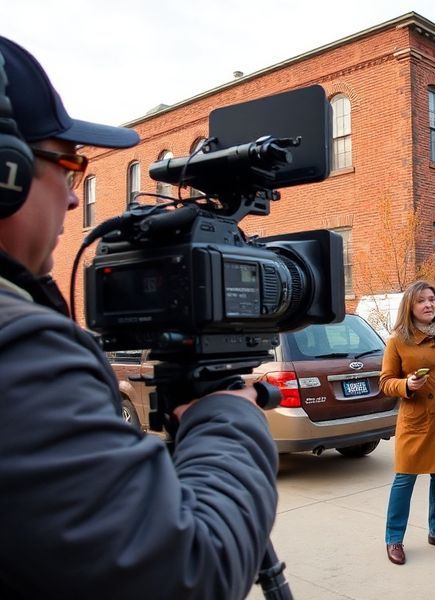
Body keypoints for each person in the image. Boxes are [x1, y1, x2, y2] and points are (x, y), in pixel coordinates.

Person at [0, 36, 279, 599]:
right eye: (70, 166)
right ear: (6, 171)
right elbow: (187, 572)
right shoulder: (20, 351)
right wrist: (229, 416)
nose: (76, 201)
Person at [379, 280, 435, 565]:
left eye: (431, 299)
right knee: (404, 480)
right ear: (410, 306)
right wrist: (406, 384)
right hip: (417, 421)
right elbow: (385, 382)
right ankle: (394, 538)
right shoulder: (397, 341)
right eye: (421, 301)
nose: (428, 304)